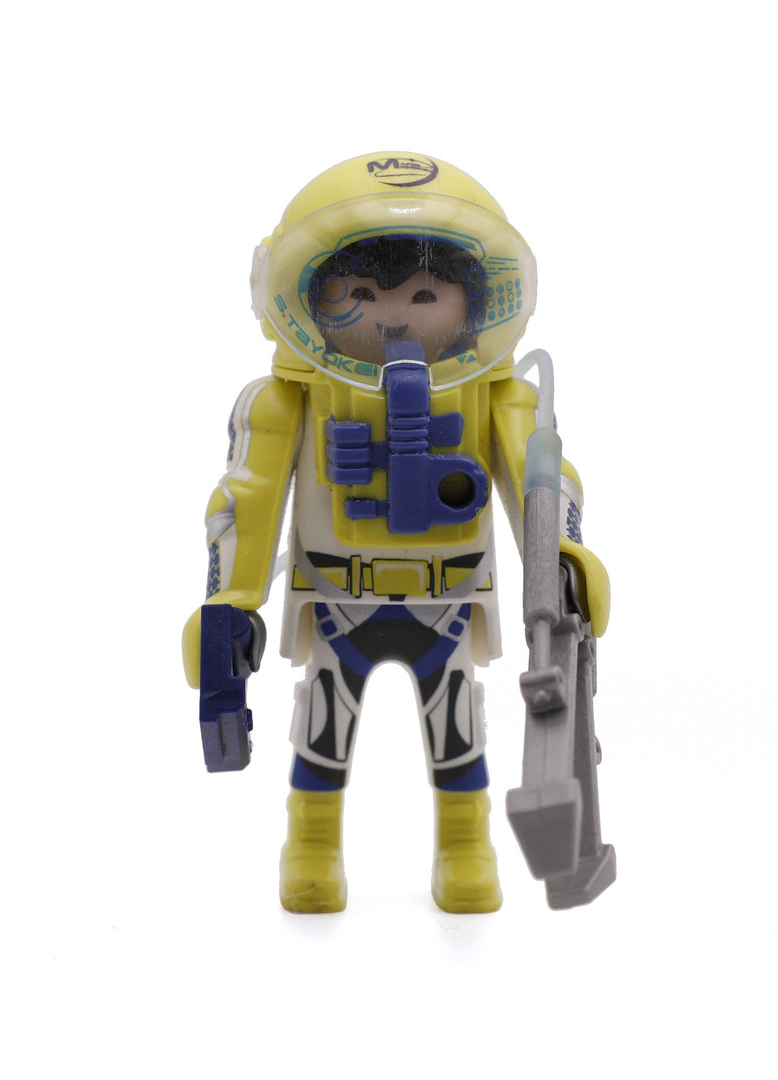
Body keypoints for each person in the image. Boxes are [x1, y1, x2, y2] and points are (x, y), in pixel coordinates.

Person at [182, 152, 609, 913]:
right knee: (322, 728)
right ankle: (311, 845)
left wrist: (565, 561)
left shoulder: (499, 397)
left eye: (425, 294)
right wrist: (229, 603)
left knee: (458, 730)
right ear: (306, 299)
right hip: (334, 598)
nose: (393, 315)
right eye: (359, 293)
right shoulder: (285, 402)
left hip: (449, 603)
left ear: (473, 303)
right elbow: (245, 500)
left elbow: (545, 484)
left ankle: (466, 845)